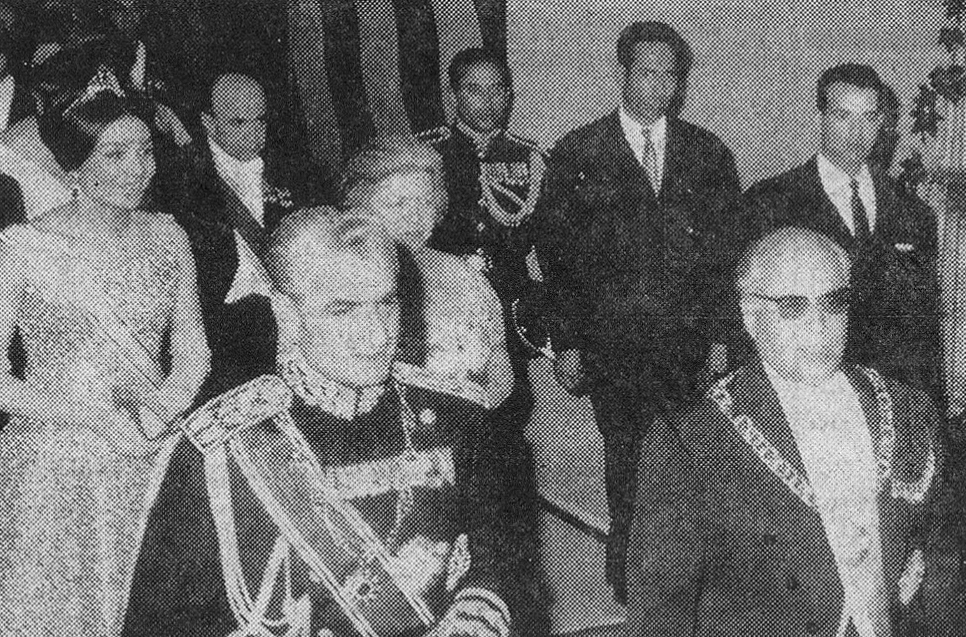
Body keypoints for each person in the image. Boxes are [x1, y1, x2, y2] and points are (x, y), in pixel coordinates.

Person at [123, 210, 525, 637]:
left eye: (386, 303)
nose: (376, 335)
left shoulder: (461, 419)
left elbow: (505, 568)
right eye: (342, 310)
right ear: (287, 316)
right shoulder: (223, 451)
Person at [625, 227, 961, 636]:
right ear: (750, 317)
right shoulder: (692, 441)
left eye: (834, 303)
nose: (818, 327)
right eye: (792, 307)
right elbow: (660, 615)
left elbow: (946, 564)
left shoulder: (908, 410)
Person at [532, 20, 742, 602]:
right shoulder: (579, 152)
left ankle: (692, 584)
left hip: (690, 348)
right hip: (613, 348)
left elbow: (728, 256)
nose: (659, 88)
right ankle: (632, 585)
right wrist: (567, 344)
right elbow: (556, 257)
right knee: (628, 466)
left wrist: (723, 338)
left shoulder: (708, 153)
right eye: (647, 74)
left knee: (694, 467)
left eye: (670, 77)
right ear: (623, 74)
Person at [0, 66, 209, 635]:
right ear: (76, 164)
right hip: (56, 459)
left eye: (144, 152)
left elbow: (193, 351)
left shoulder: (168, 234)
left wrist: (160, 411)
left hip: (149, 449)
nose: (137, 169)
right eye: (116, 154)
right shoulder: (23, 247)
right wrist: (82, 415)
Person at [743, 63, 940, 400]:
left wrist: (929, 411)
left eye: (869, 118)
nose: (857, 132)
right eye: (842, 116)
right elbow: (749, 317)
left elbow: (923, 332)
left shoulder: (914, 213)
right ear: (821, 117)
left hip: (893, 401)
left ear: (881, 122)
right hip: (805, 394)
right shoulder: (770, 202)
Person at [417, 47, 547, 426]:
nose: (488, 102)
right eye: (475, 90)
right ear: (454, 94)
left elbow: (552, 247)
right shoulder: (428, 153)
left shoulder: (529, 158)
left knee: (510, 414)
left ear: (508, 94)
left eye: (497, 90)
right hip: (444, 307)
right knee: (453, 418)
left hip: (507, 308)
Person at [342, 134, 513, 409]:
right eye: (397, 203)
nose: (414, 217)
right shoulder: (344, 284)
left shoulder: (463, 274)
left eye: (425, 202)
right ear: (361, 207)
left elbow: (500, 369)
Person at [176, 72, 318, 403]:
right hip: (226, 339)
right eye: (238, 122)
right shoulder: (181, 182)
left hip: (302, 323)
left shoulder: (296, 171)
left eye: (261, 120)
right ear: (209, 124)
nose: (254, 133)